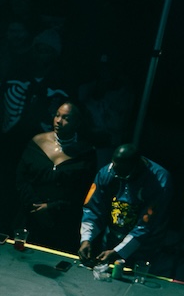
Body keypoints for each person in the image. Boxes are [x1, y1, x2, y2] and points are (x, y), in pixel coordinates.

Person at [14, 101, 98, 251]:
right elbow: (21, 179)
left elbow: (82, 192)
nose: (59, 120)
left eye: (66, 118)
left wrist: (51, 207)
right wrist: (34, 206)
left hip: (60, 222)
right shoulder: (37, 142)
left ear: (77, 123)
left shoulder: (86, 154)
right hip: (30, 217)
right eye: (57, 115)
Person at [80, 143, 170, 267]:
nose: (118, 177)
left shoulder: (159, 181)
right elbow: (93, 208)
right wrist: (86, 239)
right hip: (110, 242)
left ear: (137, 167)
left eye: (123, 175)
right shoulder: (106, 173)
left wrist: (119, 252)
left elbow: (146, 224)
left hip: (144, 250)